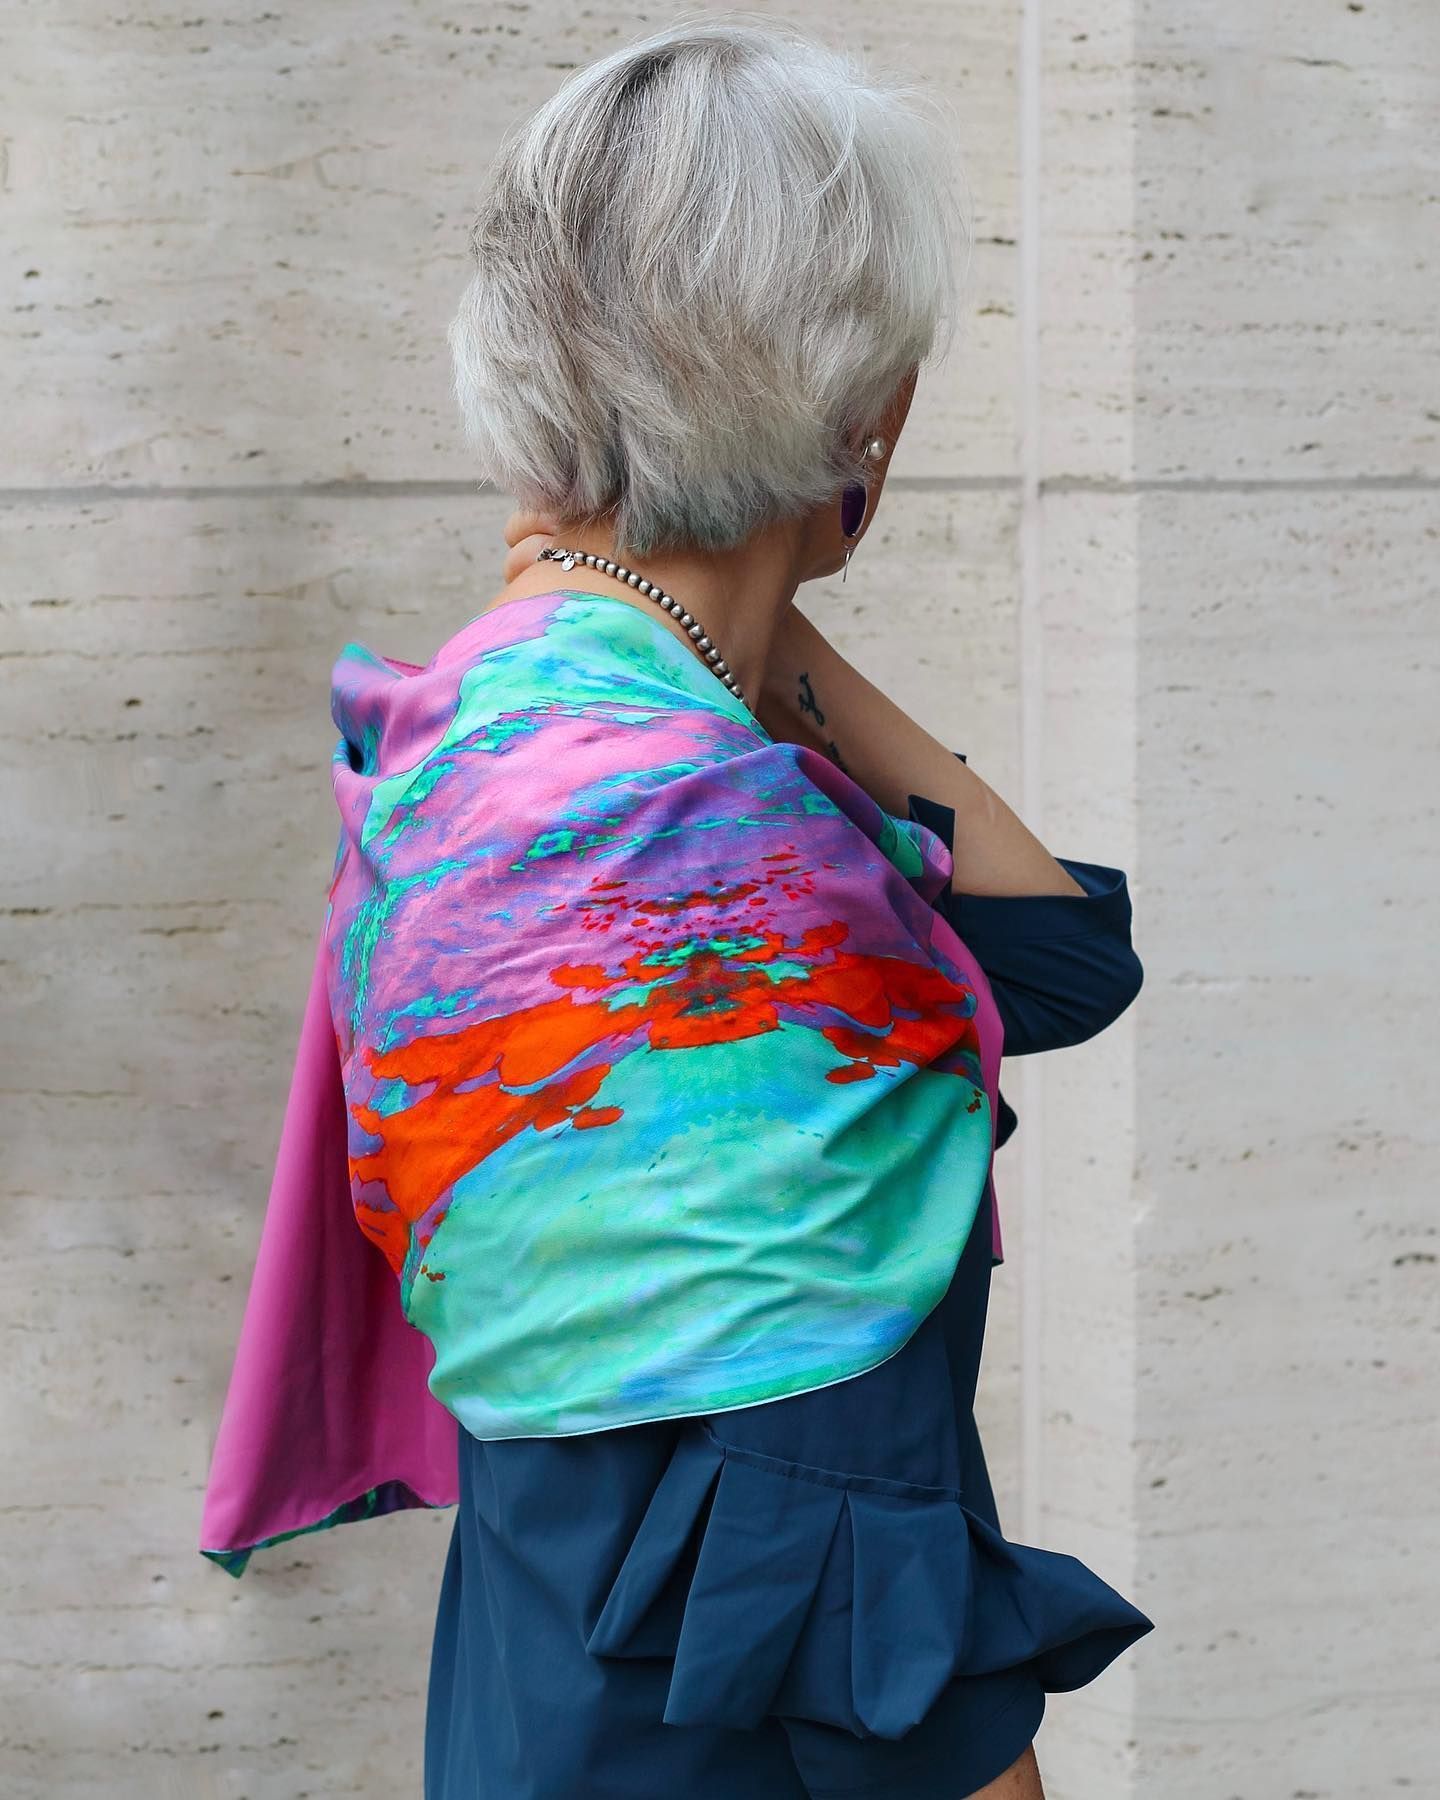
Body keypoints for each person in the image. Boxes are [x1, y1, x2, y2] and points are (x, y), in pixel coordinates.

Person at [201, 16, 1153, 1798]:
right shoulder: (700, 856)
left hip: (534, 1709)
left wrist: (731, 600)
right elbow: (857, 1590)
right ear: (868, 405)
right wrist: (783, 538)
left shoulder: (494, 739)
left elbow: (1055, 958)